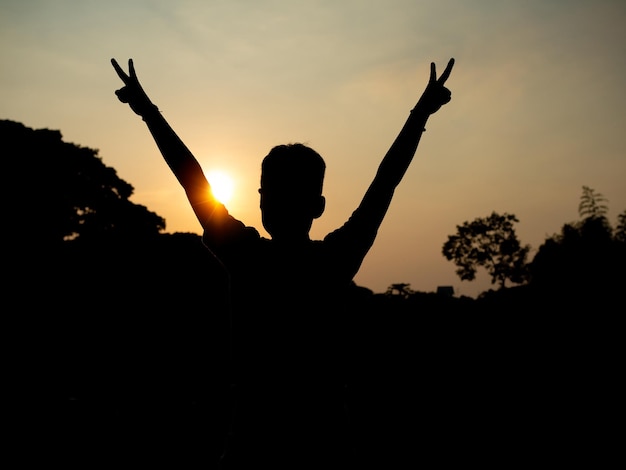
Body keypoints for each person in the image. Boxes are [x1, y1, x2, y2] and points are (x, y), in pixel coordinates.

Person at [111, 56, 454, 469]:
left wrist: (149, 112)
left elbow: (193, 180)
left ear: (262, 201)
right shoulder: (334, 259)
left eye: (271, 193)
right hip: (324, 441)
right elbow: (384, 182)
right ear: (320, 206)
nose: (270, 200)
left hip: (256, 443)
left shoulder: (246, 255)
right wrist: (419, 115)